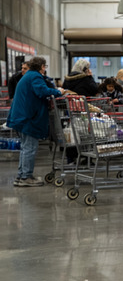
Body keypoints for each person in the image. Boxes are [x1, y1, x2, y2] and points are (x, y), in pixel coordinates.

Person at [6, 57, 63, 186]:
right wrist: (58, 91)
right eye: (45, 66)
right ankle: (26, 177)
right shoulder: (35, 77)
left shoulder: (28, 76)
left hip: (21, 116)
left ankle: (21, 176)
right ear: (42, 66)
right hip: (28, 118)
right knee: (30, 148)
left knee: (26, 148)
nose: (45, 69)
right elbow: (42, 91)